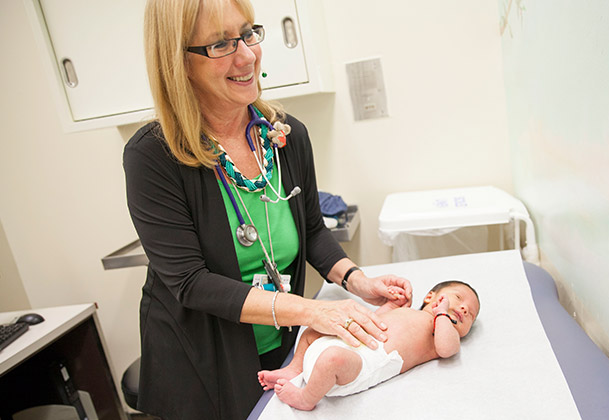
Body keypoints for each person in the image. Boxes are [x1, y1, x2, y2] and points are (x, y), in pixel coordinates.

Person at [123, 1, 412, 419]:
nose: (246, 55)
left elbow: (312, 229)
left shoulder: (286, 137)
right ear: (179, 62)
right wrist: (314, 309)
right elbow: (190, 282)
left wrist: (357, 281)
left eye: (247, 33)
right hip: (201, 359)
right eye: (220, 44)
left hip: (280, 342)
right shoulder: (154, 156)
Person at [258, 280, 480, 411]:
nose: (463, 309)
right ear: (431, 297)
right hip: (347, 339)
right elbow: (374, 318)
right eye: (458, 298)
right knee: (312, 329)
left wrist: (443, 315)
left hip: (358, 364)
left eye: (470, 314)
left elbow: (447, 349)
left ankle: (306, 398)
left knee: (333, 359)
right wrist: (393, 303)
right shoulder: (408, 312)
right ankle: (294, 369)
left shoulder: (439, 331)